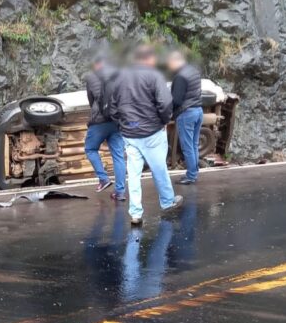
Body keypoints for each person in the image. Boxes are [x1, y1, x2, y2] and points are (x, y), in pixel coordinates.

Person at [112, 45, 183, 226]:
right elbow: (166, 103)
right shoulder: (154, 76)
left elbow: (111, 106)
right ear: (149, 59)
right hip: (152, 132)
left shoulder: (119, 77)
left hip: (129, 133)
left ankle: (135, 213)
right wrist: (164, 120)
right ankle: (167, 203)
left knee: (134, 174)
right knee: (159, 168)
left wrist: (123, 123)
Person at [83, 55, 126, 201]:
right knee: (118, 156)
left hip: (99, 122)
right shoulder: (118, 74)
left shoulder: (91, 76)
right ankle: (120, 192)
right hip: (116, 121)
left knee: (90, 149)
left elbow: (91, 99)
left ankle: (103, 178)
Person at [167, 50, 204, 185]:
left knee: (187, 146)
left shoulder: (180, 76)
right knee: (193, 144)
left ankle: (191, 175)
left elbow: (176, 100)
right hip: (198, 111)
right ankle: (193, 173)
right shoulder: (193, 71)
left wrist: (167, 111)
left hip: (186, 113)